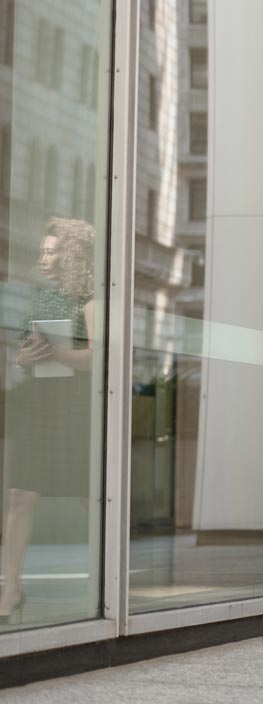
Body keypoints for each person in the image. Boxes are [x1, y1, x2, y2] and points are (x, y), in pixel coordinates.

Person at [0, 218, 97, 625]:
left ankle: (106, 583)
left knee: (89, 497)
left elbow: (97, 356)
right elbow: (23, 354)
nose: (42, 257)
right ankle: (10, 589)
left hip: (75, 406)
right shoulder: (42, 301)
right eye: (41, 250)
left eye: (51, 250)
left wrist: (58, 355)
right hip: (38, 402)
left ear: (70, 255)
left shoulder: (91, 300)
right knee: (19, 495)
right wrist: (27, 355)